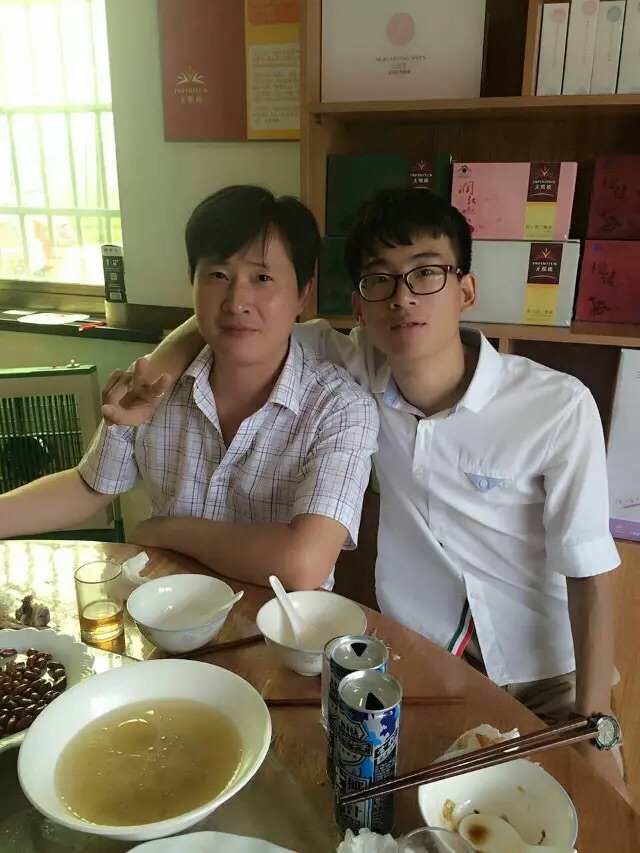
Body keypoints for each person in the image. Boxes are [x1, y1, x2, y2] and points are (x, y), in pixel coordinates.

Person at [102, 188, 626, 798]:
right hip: (423, 664)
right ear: (359, 303)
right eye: (380, 280)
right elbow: (234, 312)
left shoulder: (555, 406)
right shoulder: (353, 368)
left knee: (596, 817)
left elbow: (591, 570)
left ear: (466, 289)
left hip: (550, 674)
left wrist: (596, 725)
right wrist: (157, 368)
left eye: (426, 273)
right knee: (401, 817)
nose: (402, 297)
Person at [0, 185, 379, 591]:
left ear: (303, 293)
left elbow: (302, 565)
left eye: (263, 277)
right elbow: (89, 486)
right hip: (165, 613)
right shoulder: (155, 386)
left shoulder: (339, 407)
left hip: (274, 626)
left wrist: (167, 531)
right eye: (218, 275)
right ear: (192, 283)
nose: (237, 301)